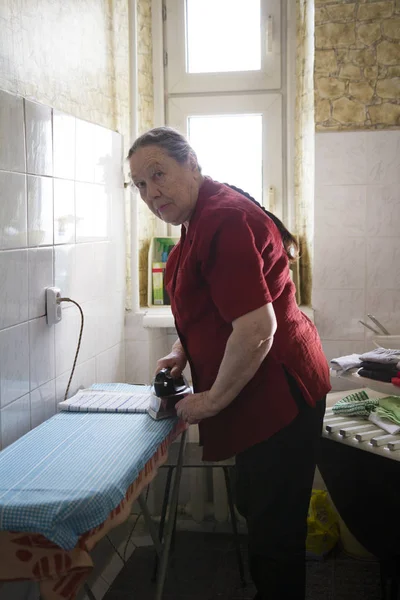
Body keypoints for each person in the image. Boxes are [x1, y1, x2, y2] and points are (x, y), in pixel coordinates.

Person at [128, 127, 331, 600]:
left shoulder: (223, 220)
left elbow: (258, 328)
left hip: (280, 393)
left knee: (275, 532)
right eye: (139, 184)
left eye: (158, 174)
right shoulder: (199, 219)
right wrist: (181, 353)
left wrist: (213, 399)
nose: (150, 192)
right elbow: (212, 308)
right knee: (261, 509)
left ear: (192, 163)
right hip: (263, 387)